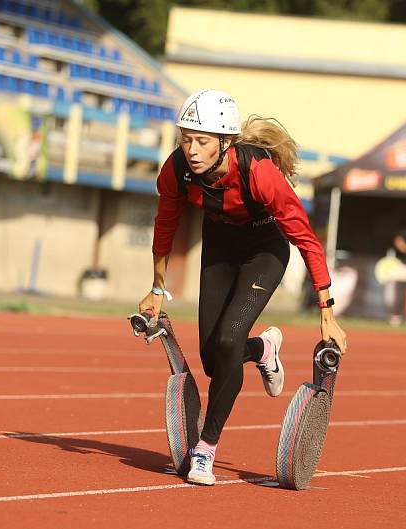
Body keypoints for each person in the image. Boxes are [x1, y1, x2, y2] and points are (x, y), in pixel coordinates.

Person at [138, 89, 346, 486]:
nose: (192, 150)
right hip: (220, 248)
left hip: (264, 250)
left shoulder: (259, 173)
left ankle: (206, 450)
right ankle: (263, 348)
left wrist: (327, 312)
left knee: (230, 339)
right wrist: (157, 288)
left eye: (202, 141)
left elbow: (306, 239)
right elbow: (165, 226)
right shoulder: (176, 170)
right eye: (186, 139)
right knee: (215, 361)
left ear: (225, 142)